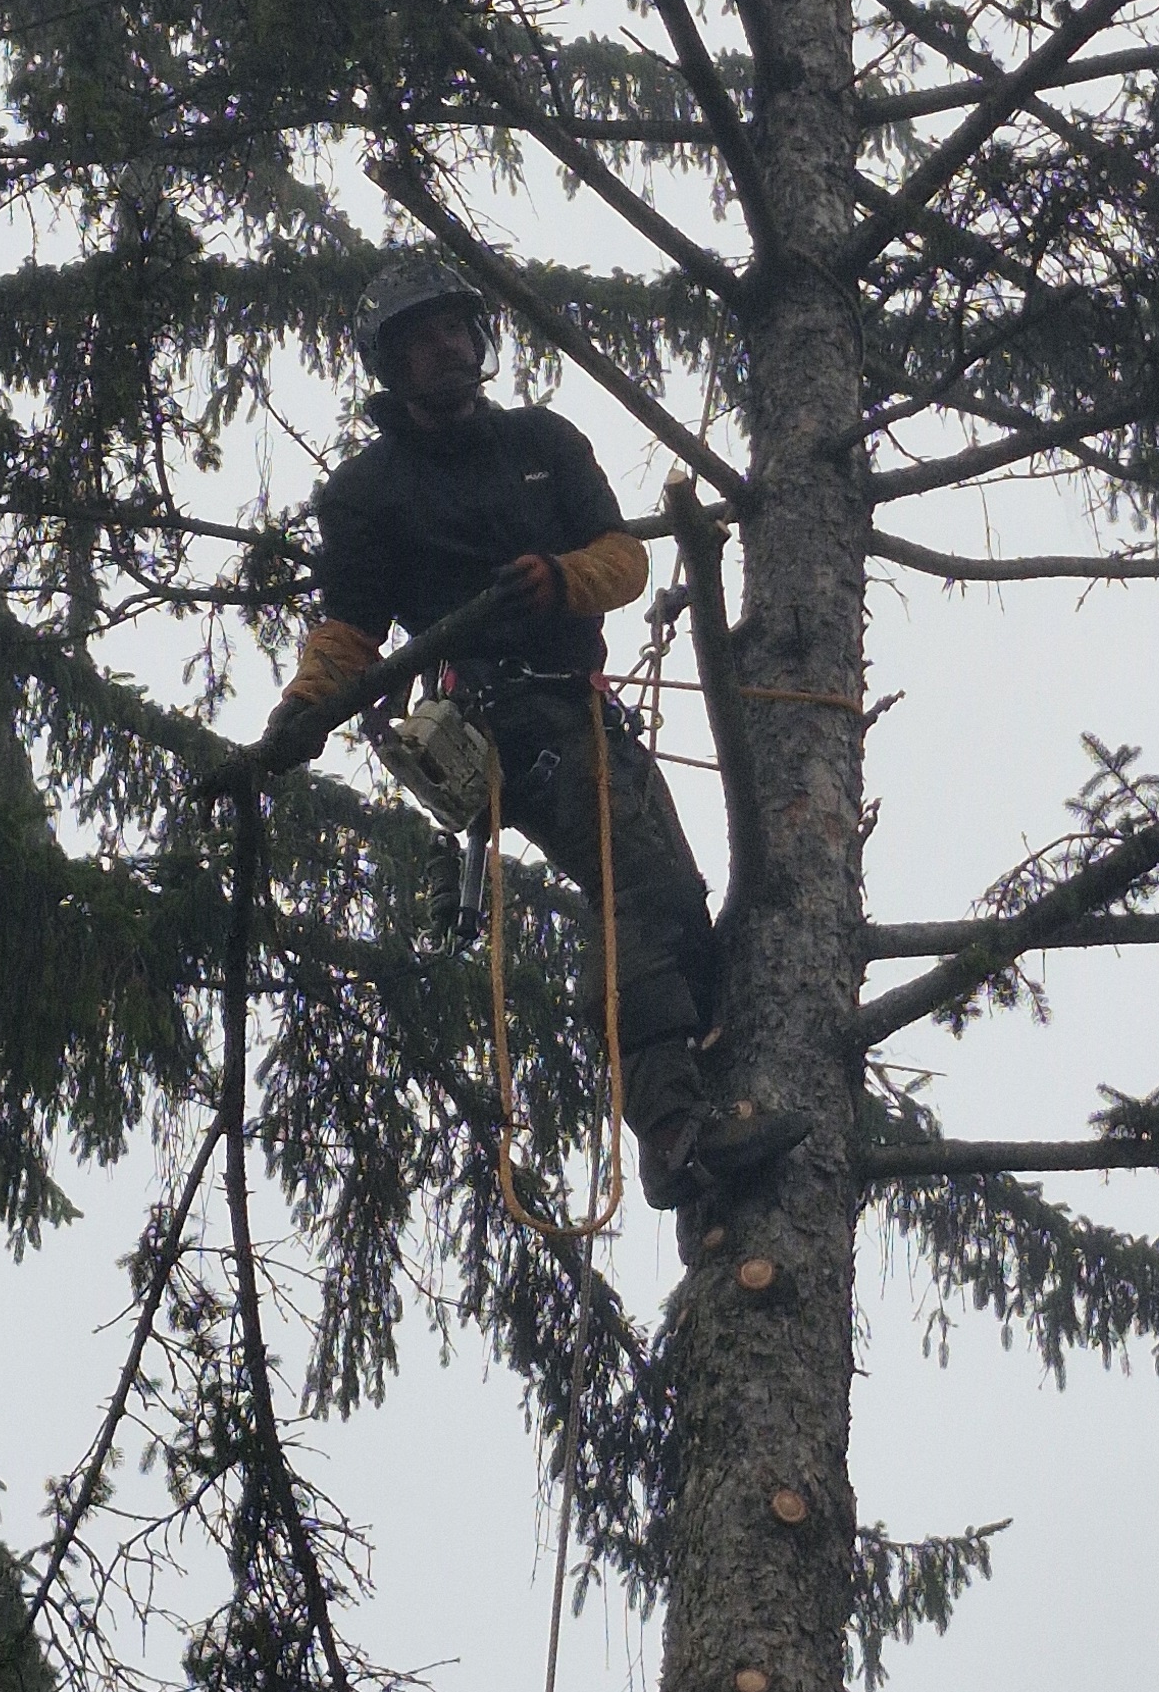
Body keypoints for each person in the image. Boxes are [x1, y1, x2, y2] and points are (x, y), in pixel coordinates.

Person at [269, 252, 808, 1210]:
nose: (439, 350)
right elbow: (350, 631)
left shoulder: (543, 442)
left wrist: (564, 580)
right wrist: (305, 710)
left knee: (675, 895)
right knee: (636, 882)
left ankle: (700, 1100)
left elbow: (621, 556)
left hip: (585, 705)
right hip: (495, 720)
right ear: (389, 370)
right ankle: (676, 1133)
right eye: (414, 342)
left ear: (478, 338)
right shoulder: (370, 490)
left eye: (449, 330)